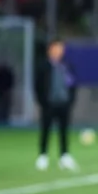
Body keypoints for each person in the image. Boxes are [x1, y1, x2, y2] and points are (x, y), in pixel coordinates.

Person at [34, 38, 78, 171]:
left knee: (64, 131)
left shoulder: (66, 66)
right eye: (56, 48)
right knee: (46, 130)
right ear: (50, 49)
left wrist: (70, 100)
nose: (59, 51)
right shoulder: (43, 66)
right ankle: (43, 156)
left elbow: (73, 84)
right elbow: (37, 86)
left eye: (61, 49)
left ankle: (64, 156)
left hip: (63, 103)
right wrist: (42, 101)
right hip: (49, 104)